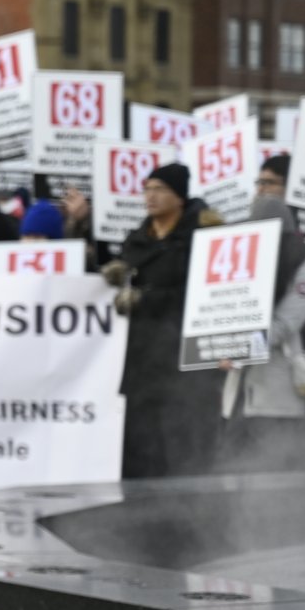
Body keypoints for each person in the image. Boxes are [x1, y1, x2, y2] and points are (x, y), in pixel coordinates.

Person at [102, 163, 223, 478]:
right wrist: (117, 271)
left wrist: (147, 298)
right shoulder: (137, 238)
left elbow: (202, 294)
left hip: (182, 366)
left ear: (179, 196)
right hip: (142, 363)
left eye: (160, 189)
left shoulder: (204, 236)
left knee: (181, 454)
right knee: (140, 452)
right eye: (147, 188)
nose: (150, 196)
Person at [215, 196, 305, 472]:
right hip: (243, 392)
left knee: (269, 477)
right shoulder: (251, 268)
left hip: (277, 396)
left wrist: (236, 347)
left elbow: (283, 325)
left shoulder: (304, 272)